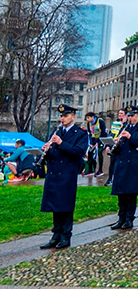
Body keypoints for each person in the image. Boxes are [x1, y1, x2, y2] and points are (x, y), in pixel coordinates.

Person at [39, 104, 90, 250]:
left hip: (67, 174)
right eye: (61, 116)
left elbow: (78, 152)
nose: (63, 118)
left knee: (66, 206)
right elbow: (53, 153)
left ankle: (65, 236)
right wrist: (46, 151)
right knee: (55, 205)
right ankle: (55, 235)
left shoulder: (80, 133)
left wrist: (61, 143)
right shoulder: (57, 132)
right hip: (54, 173)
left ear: (73, 116)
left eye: (66, 116)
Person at [109, 105, 138, 230]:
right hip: (122, 164)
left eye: (132, 116)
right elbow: (120, 147)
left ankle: (129, 218)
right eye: (128, 116)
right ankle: (121, 217)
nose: (130, 118)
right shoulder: (124, 127)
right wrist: (115, 143)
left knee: (131, 193)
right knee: (121, 193)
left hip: (134, 164)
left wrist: (130, 137)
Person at [105, 109, 127, 187]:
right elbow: (111, 134)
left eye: (121, 113)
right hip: (113, 145)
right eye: (119, 113)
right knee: (112, 164)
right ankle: (110, 178)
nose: (119, 115)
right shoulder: (115, 124)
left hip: (121, 146)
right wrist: (108, 145)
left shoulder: (126, 125)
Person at [85, 112, 107, 177]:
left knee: (100, 153)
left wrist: (99, 142)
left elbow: (103, 132)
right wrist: (92, 143)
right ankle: (90, 170)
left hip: (101, 139)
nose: (87, 119)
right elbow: (90, 133)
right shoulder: (89, 123)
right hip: (94, 139)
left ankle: (100, 170)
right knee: (90, 152)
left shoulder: (100, 121)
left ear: (92, 117)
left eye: (88, 118)